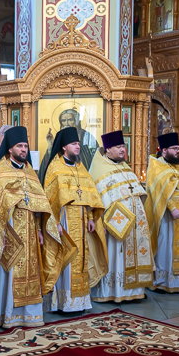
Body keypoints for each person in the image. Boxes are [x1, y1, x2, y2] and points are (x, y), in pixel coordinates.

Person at [0, 126, 68, 327]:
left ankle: (30, 315)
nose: (23, 150)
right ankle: (7, 315)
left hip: (31, 232)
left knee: (31, 272)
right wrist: (3, 230)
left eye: (25, 146)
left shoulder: (30, 172)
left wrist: (40, 229)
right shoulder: (0, 171)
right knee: (10, 273)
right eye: (19, 146)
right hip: (10, 231)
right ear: (9, 149)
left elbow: (41, 204)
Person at [41, 126, 107, 312]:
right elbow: (50, 199)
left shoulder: (81, 168)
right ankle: (64, 303)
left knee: (82, 258)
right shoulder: (55, 168)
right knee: (67, 259)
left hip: (82, 219)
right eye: (73, 144)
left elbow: (89, 197)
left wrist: (91, 217)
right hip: (65, 220)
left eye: (78, 143)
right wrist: (55, 223)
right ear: (64, 147)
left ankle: (80, 302)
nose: (78, 147)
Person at [89, 131, 153, 303]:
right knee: (116, 255)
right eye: (118, 147)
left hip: (134, 224)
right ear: (108, 149)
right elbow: (96, 200)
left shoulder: (125, 167)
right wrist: (105, 221)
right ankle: (113, 291)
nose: (122, 150)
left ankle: (134, 290)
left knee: (134, 254)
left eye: (123, 146)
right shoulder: (98, 170)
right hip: (113, 225)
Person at [145, 132, 179, 293]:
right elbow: (158, 191)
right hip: (166, 214)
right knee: (166, 246)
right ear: (164, 150)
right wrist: (172, 208)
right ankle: (162, 281)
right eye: (174, 148)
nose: (178, 151)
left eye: (178, 148)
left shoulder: (177, 167)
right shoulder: (156, 166)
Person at [39, 109, 99, 181]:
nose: (67, 123)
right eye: (63, 121)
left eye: (70, 120)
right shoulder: (59, 138)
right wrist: (50, 145)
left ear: (76, 121)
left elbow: (93, 158)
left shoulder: (87, 136)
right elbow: (50, 166)